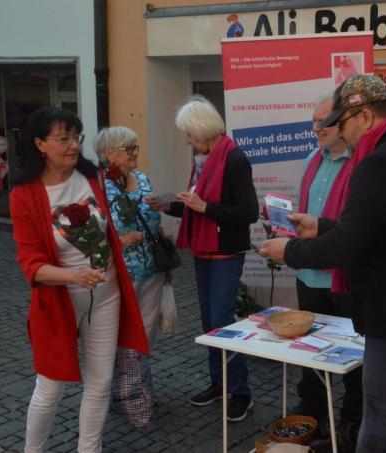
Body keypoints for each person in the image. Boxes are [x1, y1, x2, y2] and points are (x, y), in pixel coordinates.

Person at [258, 75, 386, 453]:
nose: (342, 132)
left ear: (366, 117)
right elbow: (380, 231)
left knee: (381, 435)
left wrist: (288, 251)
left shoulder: (381, 162)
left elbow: (348, 245)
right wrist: (321, 225)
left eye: (343, 123)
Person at [9, 107, 149, 453]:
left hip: (107, 295)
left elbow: (108, 229)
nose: (73, 145)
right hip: (60, 301)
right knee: (51, 386)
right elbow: (31, 264)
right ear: (40, 144)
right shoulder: (25, 194)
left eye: (76, 137)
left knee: (100, 383)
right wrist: (72, 275)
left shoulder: (92, 177)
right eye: (64, 138)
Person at [148, 94, 259, 422]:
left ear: (201, 128)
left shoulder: (234, 159)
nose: (187, 140)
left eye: (188, 133)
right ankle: (219, 383)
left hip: (225, 252)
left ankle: (241, 392)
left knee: (222, 321)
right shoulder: (203, 158)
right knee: (210, 322)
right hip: (204, 249)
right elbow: (196, 208)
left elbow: (248, 212)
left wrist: (204, 207)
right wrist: (170, 206)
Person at [293, 95, 363, 449]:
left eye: (324, 122)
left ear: (343, 122)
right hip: (309, 275)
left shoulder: (360, 163)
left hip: (343, 278)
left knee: (352, 355)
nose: (317, 128)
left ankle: (353, 422)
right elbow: (305, 209)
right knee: (311, 351)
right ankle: (312, 414)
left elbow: (357, 227)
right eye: (313, 121)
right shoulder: (311, 159)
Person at [95, 126, 167, 348]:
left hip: (152, 269)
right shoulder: (99, 187)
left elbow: (155, 221)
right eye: (129, 148)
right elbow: (91, 236)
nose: (135, 153)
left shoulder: (143, 179)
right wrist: (121, 241)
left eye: (136, 147)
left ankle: (140, 369)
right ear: (109, 153)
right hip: (121, 273)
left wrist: (165, 258)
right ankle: (124, 370)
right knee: (122, 332)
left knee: (147, 332)